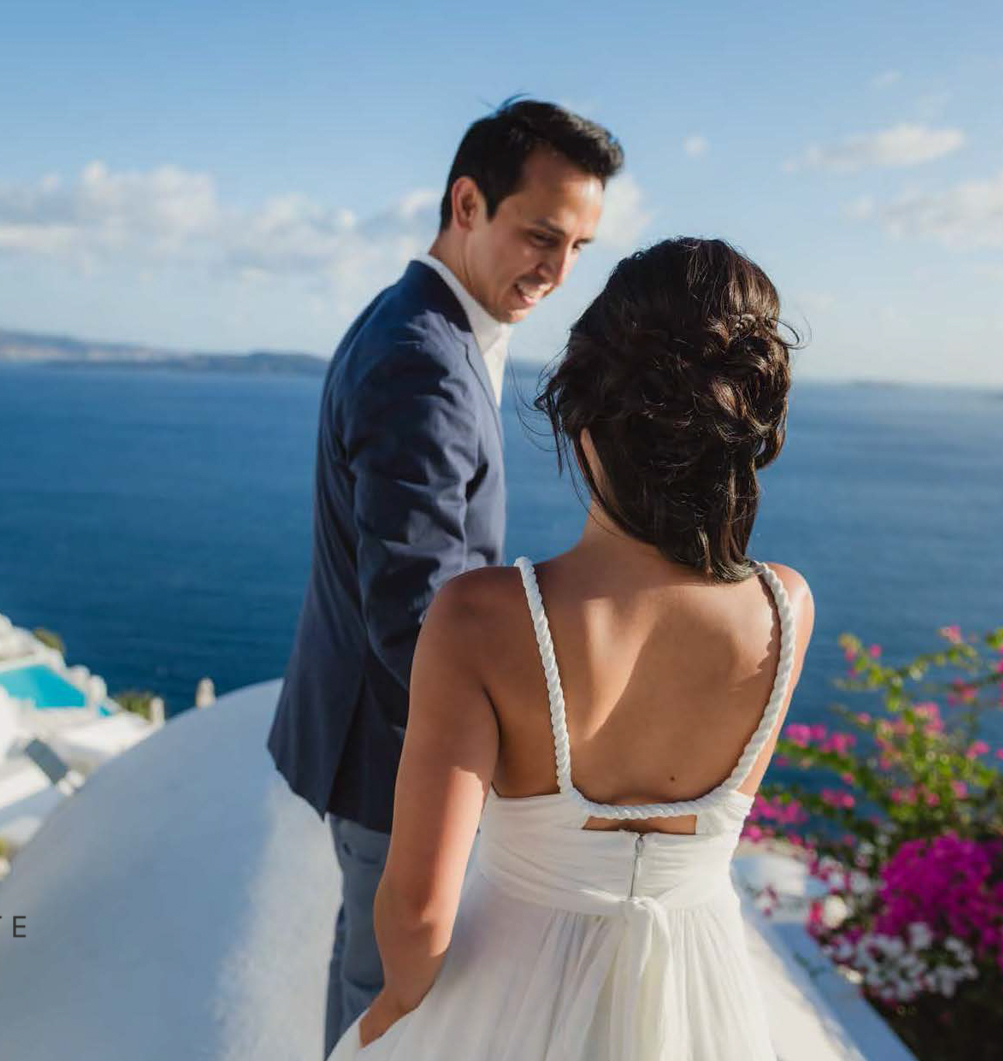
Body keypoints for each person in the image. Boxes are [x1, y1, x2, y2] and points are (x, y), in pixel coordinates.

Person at [326, 237, 817, 1060]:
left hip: (506, 1002)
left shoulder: (482, 618)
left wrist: (392, 1016)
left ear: (583, 421)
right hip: (699, 1006)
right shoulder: (788, 606)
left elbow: (415, 912)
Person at [264, 99, 625, 1056]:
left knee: (368, 970)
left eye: (580, 245)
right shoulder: (423, 363)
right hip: (396, 752)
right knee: (391, 1004)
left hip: (373, 737)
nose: (558, 271)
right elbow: (415, 616)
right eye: (541, 235)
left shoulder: (422, 322)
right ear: (468, 202)